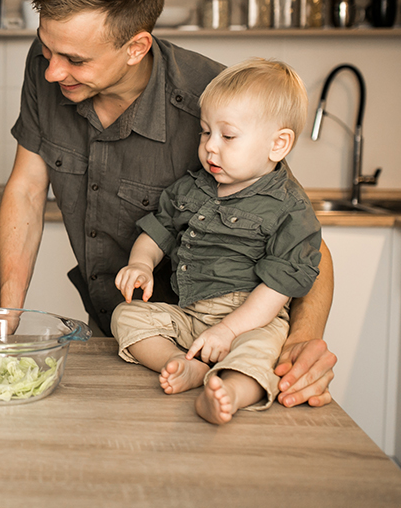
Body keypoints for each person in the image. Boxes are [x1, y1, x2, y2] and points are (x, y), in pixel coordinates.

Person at [0, 0, 337, 408]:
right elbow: (27, 191)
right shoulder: (49, 63)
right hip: (133, 342)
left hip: (218, 344)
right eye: (46, 49)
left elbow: (304, 241)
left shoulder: (214, 102)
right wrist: (5, 318)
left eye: (74, 59)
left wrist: (304, 338)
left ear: (136, 47)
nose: (52, 72)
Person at [112, 59, 322, 424]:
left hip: (253, 318)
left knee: (259, 352)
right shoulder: (192, 187)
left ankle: (232, 393)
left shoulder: (291, 209)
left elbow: (277, 289)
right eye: (205, 133)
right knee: (126, 316)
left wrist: (229, 330)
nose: (210, 147)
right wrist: (141, 264)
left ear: (278, 144)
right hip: (191, 312)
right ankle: (182, 365)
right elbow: (156, 231)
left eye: (227, 136)